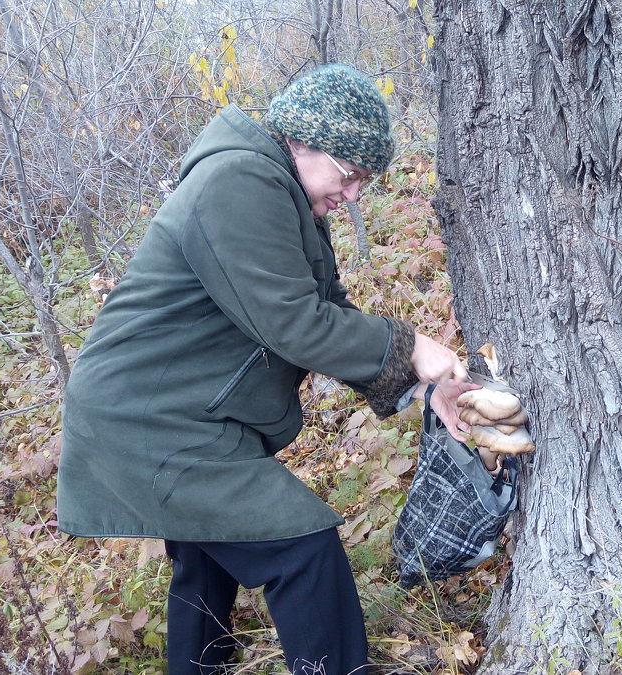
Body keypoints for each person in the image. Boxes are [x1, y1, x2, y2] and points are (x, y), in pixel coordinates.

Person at [56, 64, 475, 675]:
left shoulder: (279, 192)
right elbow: (293, 322)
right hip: (151, 419)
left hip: (173, 410)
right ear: (303, 141)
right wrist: (412, 345)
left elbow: (326, 313)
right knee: (301, 548)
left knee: (207, 556)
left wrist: (423, 383)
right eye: (350, 174)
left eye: (365, 181)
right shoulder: (239, 181)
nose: (354, 194)